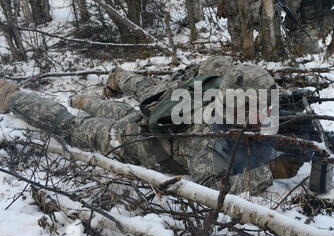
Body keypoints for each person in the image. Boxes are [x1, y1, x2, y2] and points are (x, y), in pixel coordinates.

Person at [0, 57, 281, 195]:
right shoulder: (205, 134)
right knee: (71, 125)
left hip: (145, 121)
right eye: (260, 107)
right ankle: (12, 96)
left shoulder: (230, 108)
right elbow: (207, 186)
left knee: (120, 111)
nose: (267, 113)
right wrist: (265, 174)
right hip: (125, 141)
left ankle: (82, 99)